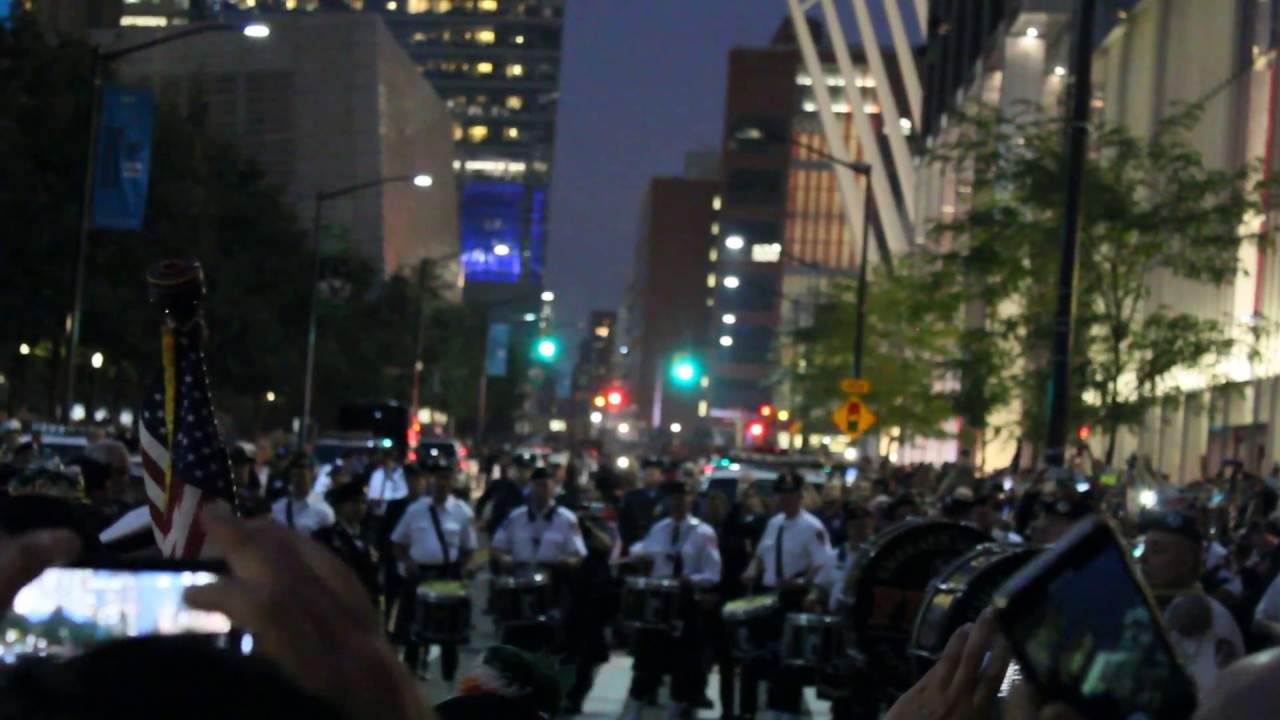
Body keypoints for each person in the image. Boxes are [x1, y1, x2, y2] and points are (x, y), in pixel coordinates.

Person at [619, 479, 722, 720]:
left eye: (682, 498)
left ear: (691, 500)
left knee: (682, 665)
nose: (677, 503)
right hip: (656, 601)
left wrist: (691, 580)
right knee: (646, 662)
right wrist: (639, 556)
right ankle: (635, 710)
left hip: (684, 602)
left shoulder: (703, 533)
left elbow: (713, 573)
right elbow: (642, 548)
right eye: (673, 499)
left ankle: (674, 712)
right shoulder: (660, 528)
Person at [740, 471, 832, 720]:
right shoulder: (774, 523)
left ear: (799, 497)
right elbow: (761, 555)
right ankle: (765, 708)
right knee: (761, 655)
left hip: (794, 597)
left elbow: (823, 563)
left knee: (788, 659)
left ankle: (786, 710)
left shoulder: (812, 527)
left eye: (790, 496)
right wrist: (751, 570)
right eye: (781, 495)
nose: (784, 501)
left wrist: (801, 581)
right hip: (769, 595)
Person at [390, 457, 477, 688]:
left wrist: (464, 566)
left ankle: (450, 683)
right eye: (439, 476)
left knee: (451, 634)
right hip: (419, 576)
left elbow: (469, 547)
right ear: (432, 480)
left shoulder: (461, 511)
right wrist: (406, 561)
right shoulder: (415, 510)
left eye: (447, 477)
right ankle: (409, 680)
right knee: (414, 630)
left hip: (447, 577)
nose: (442, 481)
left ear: (453, 480)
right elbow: (398, 543)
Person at [1139, 509, 1244, 692]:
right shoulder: (1141, 607)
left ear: (1186, 563)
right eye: (1143, 548)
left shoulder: (1209, 620)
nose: (1143, 559)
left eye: (1156, 551)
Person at [490, 466, 587, 652]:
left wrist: (568, 562)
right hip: (520, 578)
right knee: (516, 636)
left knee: (553, 638)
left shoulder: (566, 519)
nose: (541, 490)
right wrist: (504, 558)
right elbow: (497, 547)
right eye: (537, 486)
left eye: (545, 486)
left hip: (554, 581)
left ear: (554, 488)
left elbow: (579, 555)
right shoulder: (515, 517)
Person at [313, 480, 379, 605]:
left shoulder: (369, 534)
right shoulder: (326, 535)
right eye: (354, 502)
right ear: (340, 506)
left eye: (363, 502)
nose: (359, 507)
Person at [270, 452, 335, 535]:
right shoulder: (278, 508)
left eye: (302, 477)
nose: (299, 481)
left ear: (313, 476)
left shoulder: (324, 512)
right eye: (295, 475)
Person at [617, 460, 666, 556]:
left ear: (661, 476)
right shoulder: (631, 496)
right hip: (636, 542)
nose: (650, 475)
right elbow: (623, 522)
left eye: (654, 473)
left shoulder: (666, 497)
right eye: (647, 473)